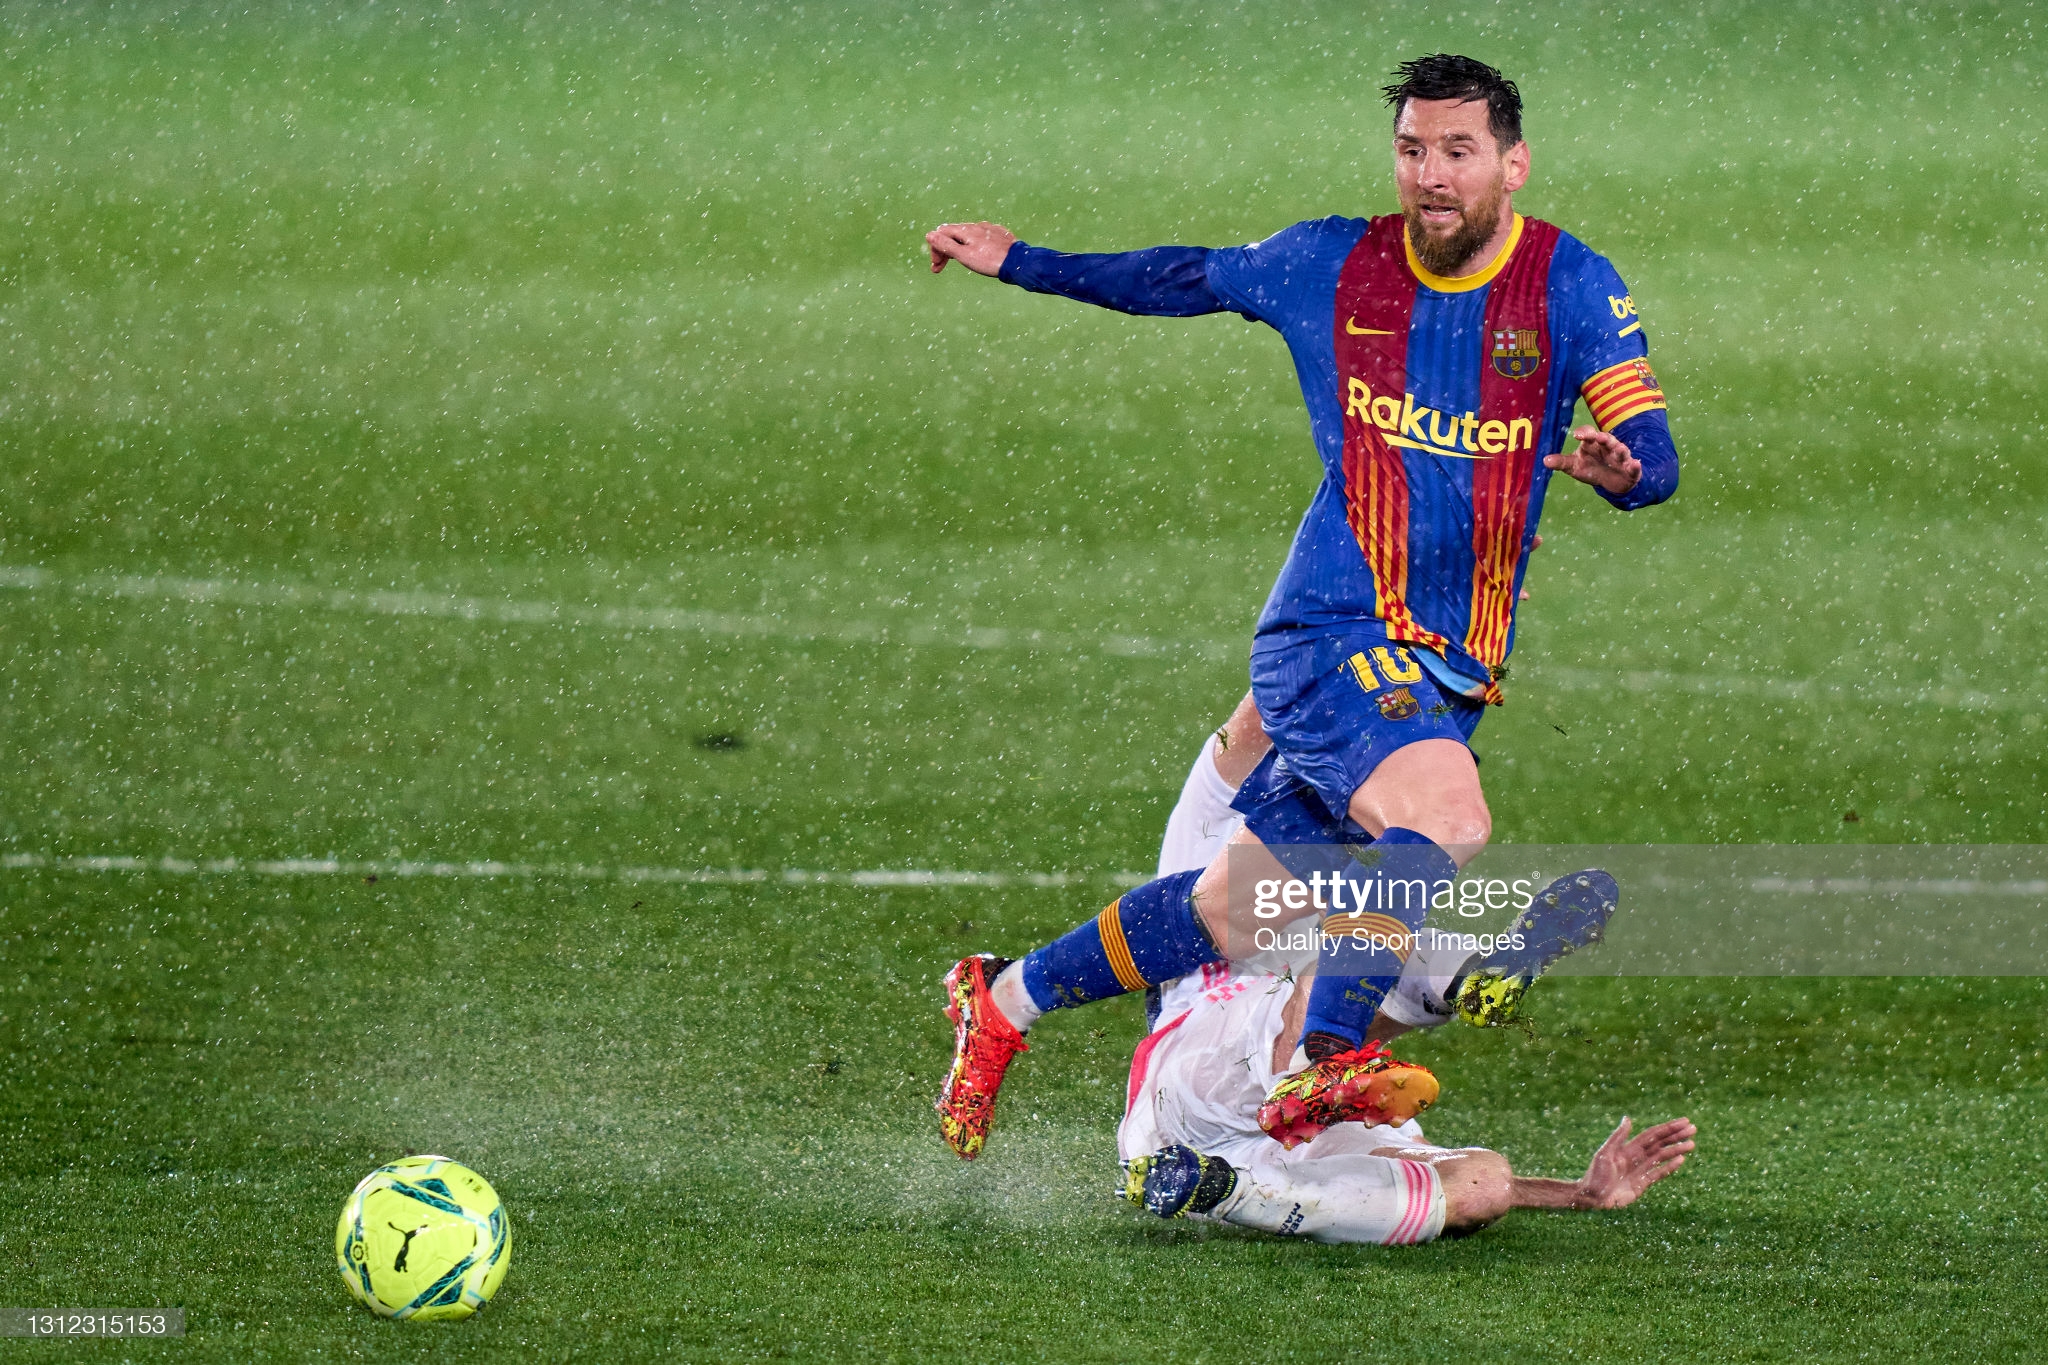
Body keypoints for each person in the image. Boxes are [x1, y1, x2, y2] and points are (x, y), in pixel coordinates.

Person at [928, 53, 1678, 1159]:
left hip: (1451, 665)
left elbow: (1651, 452)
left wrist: (1622, 472)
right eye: (1412, 149)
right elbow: (1181, 275)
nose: (1430, 174)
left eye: (1456, 151)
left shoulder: (1568, 286)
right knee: (1447, 816)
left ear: (1510, 165)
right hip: (1329, 633)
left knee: (1242, 903)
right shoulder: (1330, 262)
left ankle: (1002, 1004)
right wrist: (1020, 262)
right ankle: (1324, 1063)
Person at [1118, 953, 1696, 1244]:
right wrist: (1026, 993)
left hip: (1215, 1167)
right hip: (1201, 1075)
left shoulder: (1385, 858)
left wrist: (1578, 1196)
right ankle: (1457, 987)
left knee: (1484, 1184)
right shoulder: (1248, 840)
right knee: (1350, 959)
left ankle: (1240, 1190)